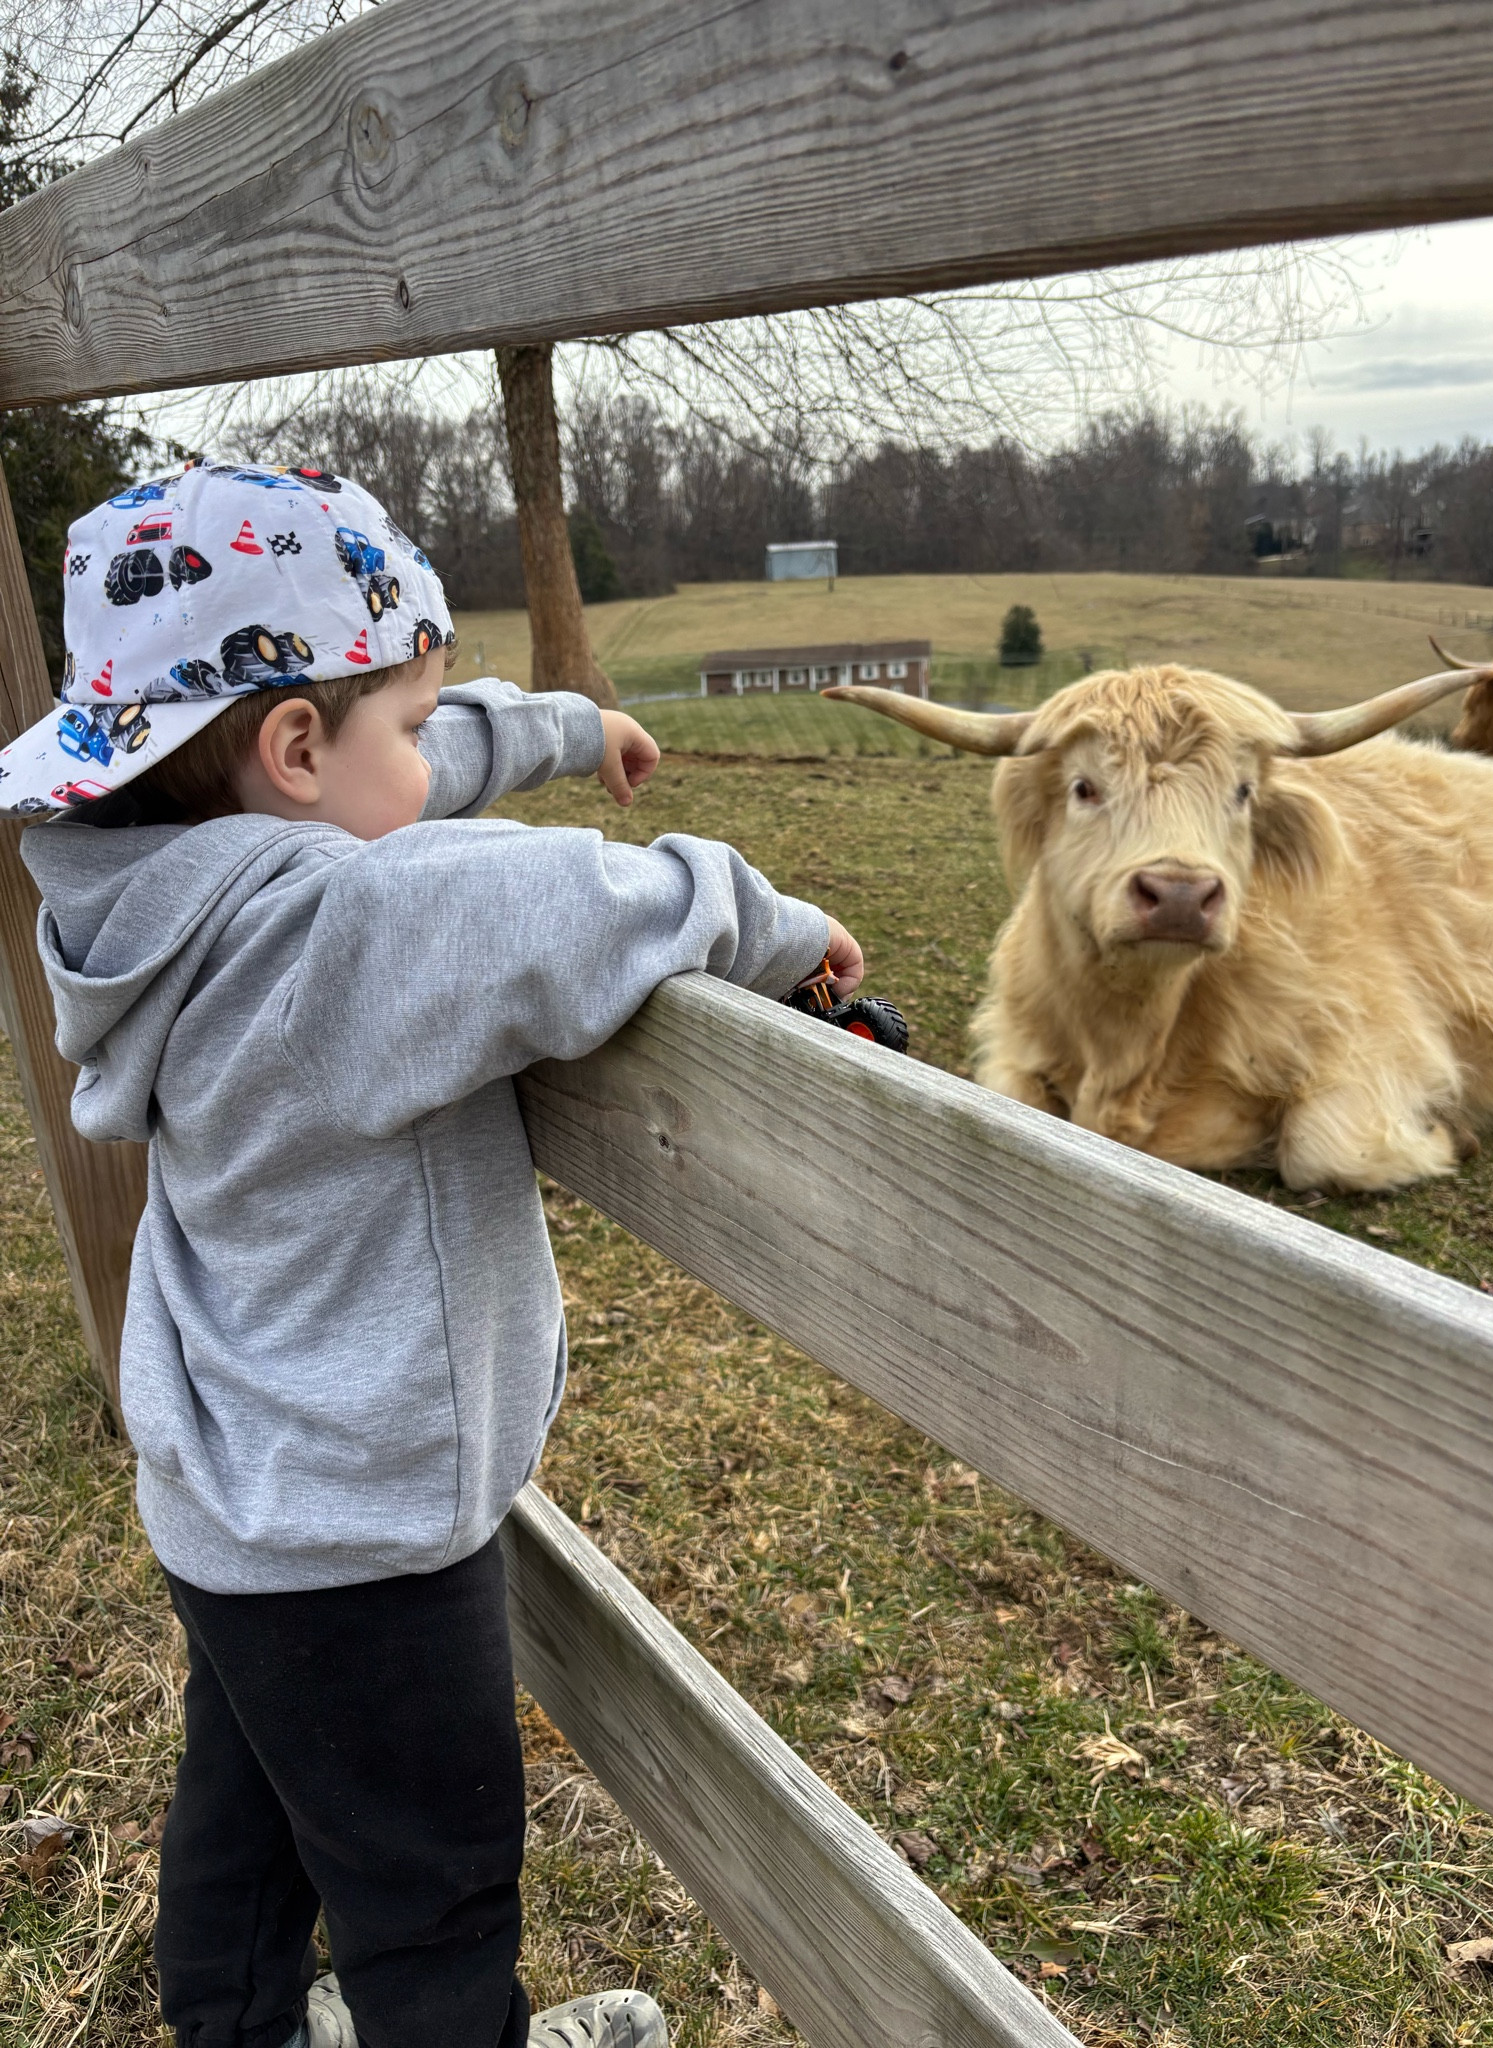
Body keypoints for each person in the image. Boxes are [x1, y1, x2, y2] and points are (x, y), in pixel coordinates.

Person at [1, 460, 863, 2048]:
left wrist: (549, 729)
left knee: (249, 1824)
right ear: (291, 748)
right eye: (405, 723)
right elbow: (553, 909)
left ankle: (239, 2031)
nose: (428, 750)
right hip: (368, 1539)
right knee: (434, 1898)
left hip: (230, 1505)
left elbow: (380, 771)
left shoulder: (147, 891)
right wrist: (771, 925)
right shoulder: (342, 931)